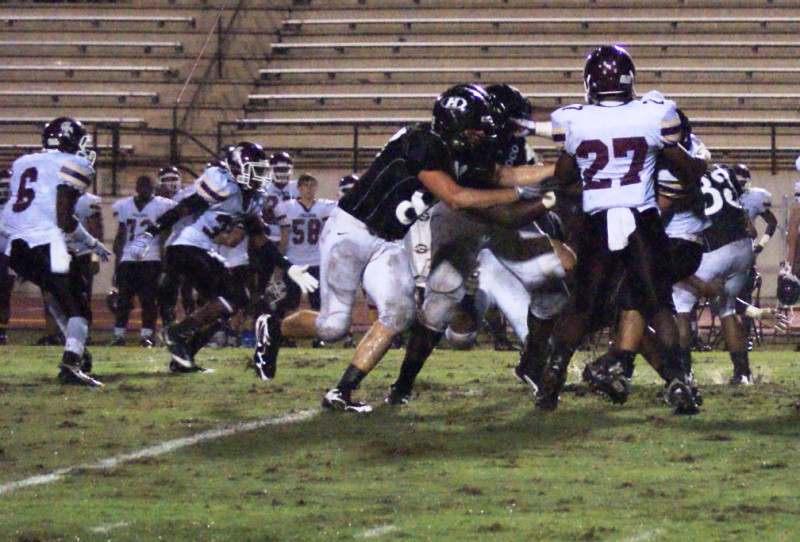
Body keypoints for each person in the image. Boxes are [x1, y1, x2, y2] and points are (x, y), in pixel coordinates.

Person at [257, 84, 553, 412]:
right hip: (350, 232)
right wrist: (520, 195)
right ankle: (273, 327)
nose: (479, 135)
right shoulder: (422, 142)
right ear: (454, 125)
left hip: (389, 241)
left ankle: (341, 391)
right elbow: (456, 198)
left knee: (401, 313)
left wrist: (555, 171)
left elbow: (502, 174)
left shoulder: (453, 147)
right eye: (473, 128)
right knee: (333, 327)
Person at [535, 45, 708, 414]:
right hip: (641, 220)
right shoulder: (652, 114)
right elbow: (687, 170)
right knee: (658, 305)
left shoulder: (576, 120)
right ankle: (679, 380)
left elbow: (563, 177)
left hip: (597, 220)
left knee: (581, 306)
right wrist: (699, 162)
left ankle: (552, 375)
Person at [386, 82, 560, 405]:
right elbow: (493, 194)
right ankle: (404, 382)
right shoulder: (458, 142)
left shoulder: (511, 144)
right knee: (441, 298)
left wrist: (554, 175)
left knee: (551, 286)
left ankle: (532, 365)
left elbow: (512, 178)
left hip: (505, 212)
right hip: (464, 213)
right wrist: (547, 192)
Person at [130, 142, 318, 372]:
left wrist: (289, 267)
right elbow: (182, 209)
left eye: (262, 170)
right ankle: (176, 333)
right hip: (185, 246)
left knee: (236, 302)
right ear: (238, 168)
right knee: (231, 297)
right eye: (255, 170)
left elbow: (261, 241)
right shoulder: (222, 186)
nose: (260, 176)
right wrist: (149, 233)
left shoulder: (251, 198)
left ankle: (184, 355)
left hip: (202, 249)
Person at [1, 117, 111, 386]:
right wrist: (92, 243)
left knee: (58, 295)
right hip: (46, 243)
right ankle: (72, 363)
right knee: (79, 305)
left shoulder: (22, 162)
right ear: (70, 140)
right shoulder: (75, 164)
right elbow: (64, 219)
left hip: (15, 247)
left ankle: (78, 352)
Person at [111, 174, 176, 347]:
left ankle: (146, 336)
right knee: (123, 300)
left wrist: (165, 264)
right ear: (137, 188)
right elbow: (121, 236)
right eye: (142, 187)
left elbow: (165, 236)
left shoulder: (162, 205)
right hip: (128, 258)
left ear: (154, 189)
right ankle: (118, 336)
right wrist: (117, 263)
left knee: (149, 300)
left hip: (151, 258)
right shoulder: (124, 206)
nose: (146, 190)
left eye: (149, 187)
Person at [274, 173, 336, 347]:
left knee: (318, 304)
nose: (309, 189)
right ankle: (287, 337)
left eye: (312, 185)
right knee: (289, 304)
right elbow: (284, 238)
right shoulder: (288, 207)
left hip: (316, 261)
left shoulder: (324, 207)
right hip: (294, 262)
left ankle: (320, 336)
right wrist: (280, 265)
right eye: (305, 185)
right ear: (299, 188)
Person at [734, 163, 777, 349]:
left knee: (744, 296)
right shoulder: (722, 197)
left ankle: (744, 338)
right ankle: (732, 337)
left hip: (745, 253)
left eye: (742, 182)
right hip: (721, 253)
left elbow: (772, 222)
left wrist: (761, 246)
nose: (739, 186)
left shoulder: (755, 197)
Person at [0, 168, 14, 345]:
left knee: (4, 295)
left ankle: (2, 332)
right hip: (8, 253)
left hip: (8, 253)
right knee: (4, 295)